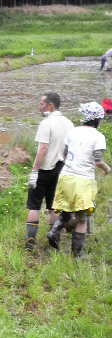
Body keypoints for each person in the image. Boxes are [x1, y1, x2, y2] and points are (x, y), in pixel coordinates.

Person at [48, 102, 111, 256]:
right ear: (97, 119)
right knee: (82, 218)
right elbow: (97, 161)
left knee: (66, 211)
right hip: (83, 181)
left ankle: (54, 231)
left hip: (66, 177)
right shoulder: (98, 136)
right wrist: (107, 169)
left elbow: (64, 154)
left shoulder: (73, 132)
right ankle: (77, 254)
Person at [24, 92, 74, 251]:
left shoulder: (46, 123)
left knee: (34, 206)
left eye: (41, 103)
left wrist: (34, 171)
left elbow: (43, 149)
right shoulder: (68, 123)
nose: (39, 106)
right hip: (60, 168)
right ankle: (53, 239)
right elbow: (69, 149)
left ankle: (30, 241)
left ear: (50, 106)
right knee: (53, 206)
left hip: (44, 169)